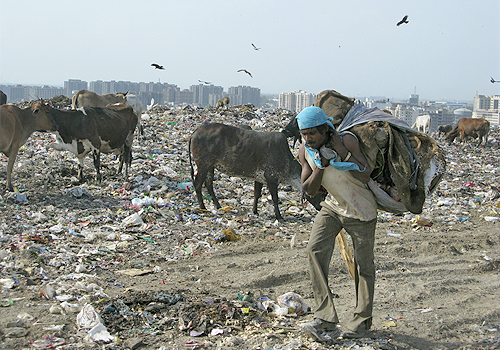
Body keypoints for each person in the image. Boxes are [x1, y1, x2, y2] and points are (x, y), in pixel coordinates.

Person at [296, 106, 378, 340]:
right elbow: (309, 189)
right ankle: (326, 318)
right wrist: (321, 164)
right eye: (304, 134)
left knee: (363, 267)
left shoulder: (348, 141)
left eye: (312, 133)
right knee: (314, 250)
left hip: (360, 210)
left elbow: (364, 174)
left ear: (326, 130)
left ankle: (361, 323)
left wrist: (342, 153)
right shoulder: (306, 151)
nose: (308, 138)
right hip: (333, 207)